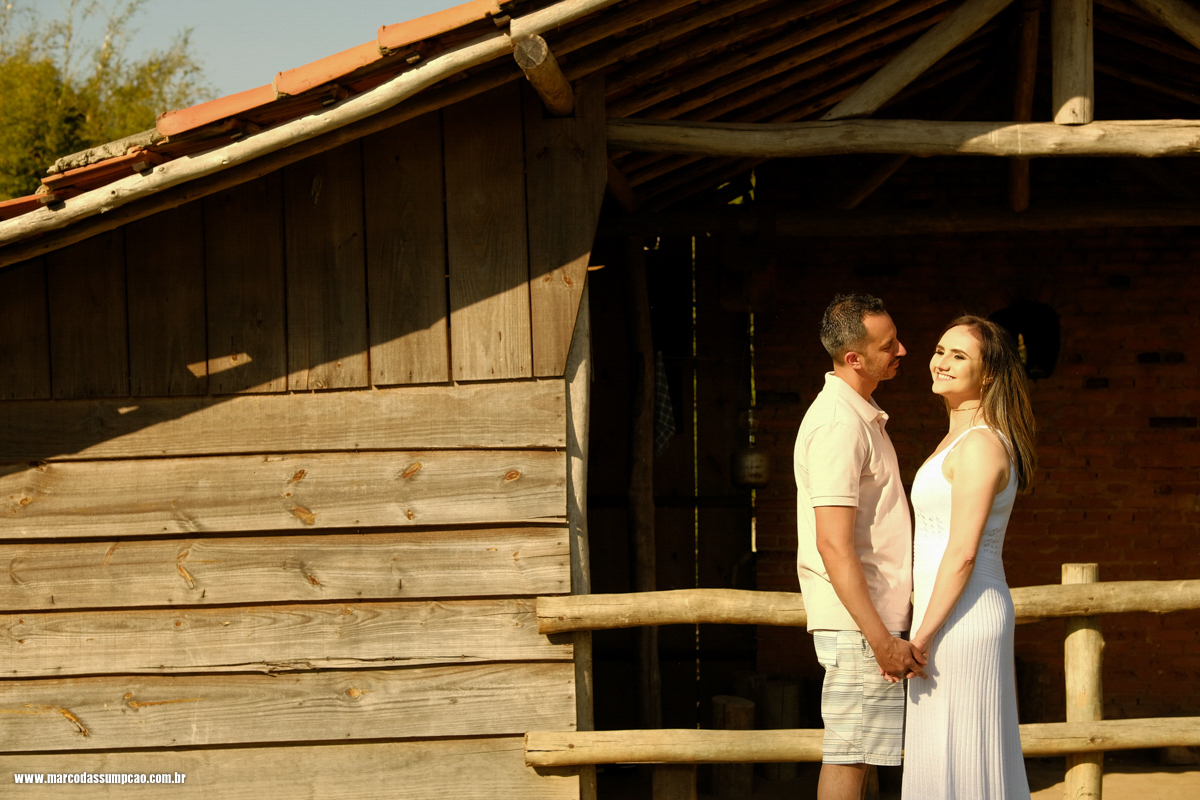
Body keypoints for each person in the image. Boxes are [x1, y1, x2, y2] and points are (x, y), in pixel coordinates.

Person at [794, 293, 927, 800]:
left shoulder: (859, 415)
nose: (903, 350)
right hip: (860, 624)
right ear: (855, 358)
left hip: (867, 619)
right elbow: (833, 542)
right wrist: (880, 640)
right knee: (850, 757)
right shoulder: (838, 425)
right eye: (888, 344)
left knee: (861, 755)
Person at [900, 315, 1037, 800]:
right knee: (940, 754)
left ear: (990, 375)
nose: (942, 362)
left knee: (962, 752)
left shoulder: (981, 444)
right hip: (945, 612)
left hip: (964, 616)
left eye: (960, 356)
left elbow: (961, 553)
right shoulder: (959, 439)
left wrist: (921, 636)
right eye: (940, 350)